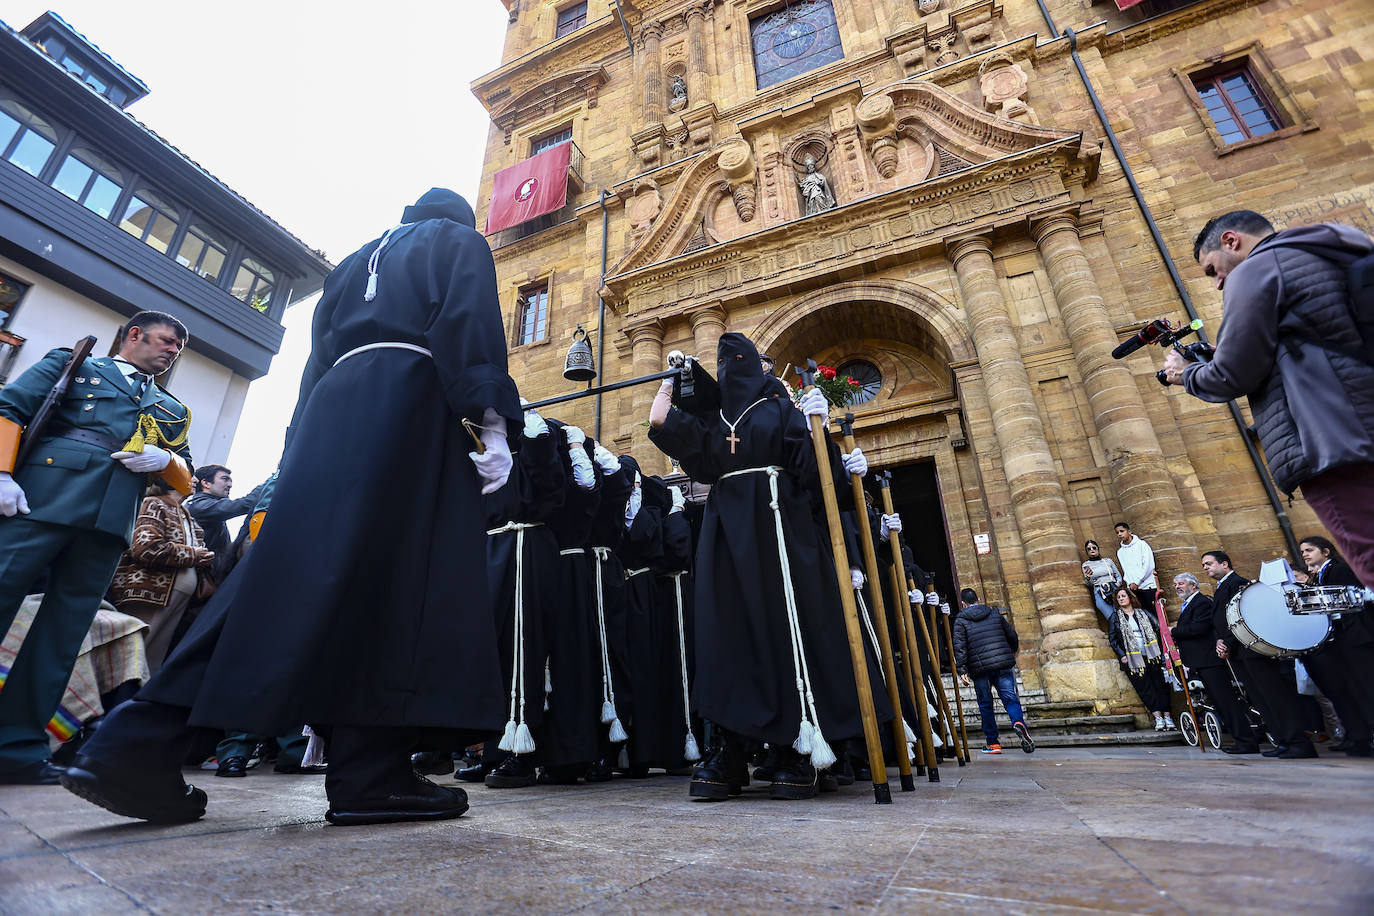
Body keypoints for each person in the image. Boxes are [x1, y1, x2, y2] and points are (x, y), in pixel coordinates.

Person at [59, 188, 524, 825]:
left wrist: (297, 447)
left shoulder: (353, 264)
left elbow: (314, 367)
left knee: (289, 573)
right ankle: (367, 769)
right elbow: (469, 322)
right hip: (407, 403)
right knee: (401, 575)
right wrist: (492, 422)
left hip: (331, 415)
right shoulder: (457, 241)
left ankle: (142, 740)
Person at [647, 332, 884, 801]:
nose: (730, 369)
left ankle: (798, 744)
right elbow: (660, 421)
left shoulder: (779, 410)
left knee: (787, 629)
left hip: (781, 534)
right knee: (725, 634)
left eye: (737, 362)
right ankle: (729, 746)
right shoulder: (715, 419)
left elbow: (821, 483)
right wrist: (676, 377)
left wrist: (820, 430)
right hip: (727, 540)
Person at [0, 310, 194, 784]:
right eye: (167, 342)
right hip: (43, 497)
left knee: (62, 636)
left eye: (177, 349)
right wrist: (2, 473)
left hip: (111, 520)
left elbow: (185, 476)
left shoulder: (170, 408)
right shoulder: (78, 362)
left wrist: (166, 458)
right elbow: (9, 408)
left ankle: (17, 749)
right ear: (134, 335)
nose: (172, 352)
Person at [1164, 212, 1374, 586]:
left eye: (1212, 270)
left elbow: (1232, 375)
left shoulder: (1255, 270)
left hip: (1336, 444)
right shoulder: (1337, 250)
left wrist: (1186, 373)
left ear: (1231, 241)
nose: (1217, 284)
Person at [1204, 550, 1317, 758]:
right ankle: (1282, 740)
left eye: (1209, 563)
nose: (1206, 568)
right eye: (1204, 565)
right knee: (1261, 699)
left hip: (1253, 649)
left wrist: (1226, 641)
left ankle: (1299, 742)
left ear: (1225, 564)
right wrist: (1219, 641)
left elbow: (1243, 614)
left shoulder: (1240, 584)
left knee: (1275, 695)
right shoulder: (1221, 588)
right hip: (1238, 652)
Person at [108, 481, 214, 673]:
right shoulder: (154, 503)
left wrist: (201, 559)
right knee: (129, 656)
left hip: (177, 598)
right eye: (190, 474)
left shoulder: (187, 515)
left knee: (151, 661)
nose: (196, 480)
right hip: (149, 593)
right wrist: (193, 555)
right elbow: (145, 548)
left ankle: (129, 699)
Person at [1297, 536, 1374, 756]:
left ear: (1326, 552)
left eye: (1309, 550)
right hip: (1341, 640)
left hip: (1354, 636)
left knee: (1366, 685)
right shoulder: (1320, 575)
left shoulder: (1338, 570)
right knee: (1352, 689)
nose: (1305, 555)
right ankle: (1358, 737)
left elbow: (1353, 599)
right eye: (1302, 551)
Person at [1169, 573, 1258, 753]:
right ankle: (1241, 739)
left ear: (1193, 586)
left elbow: (1200, 628)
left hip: (1209, 660)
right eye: (1176, 584)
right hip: (1201, 661)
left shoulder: (1201, 602)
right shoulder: (1189, 604)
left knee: (1226, 701)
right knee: (1220, 702)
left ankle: (1246, 741)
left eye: (1181, 583)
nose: (1178, 587)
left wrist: (1175, 631)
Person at [951, 589, 1032, 755]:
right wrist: (1013, 651)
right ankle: (1018, 722)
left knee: (985, 705)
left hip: (979, 669)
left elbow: (960, 647)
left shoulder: (961, 620)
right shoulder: (994, 614)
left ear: (963, 604)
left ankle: (993, 744)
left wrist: (962, 669)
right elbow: (1012, 635)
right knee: (1010, 698)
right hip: (1003, 664)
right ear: (978, 599)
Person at [1105, 585, 1175, 731]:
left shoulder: (1143, 613)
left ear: (1130, 597)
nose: (1121, 598)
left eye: (1123, 596)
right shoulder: (1115, 617)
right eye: (1118, 597)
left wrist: (1163, 650)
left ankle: (1168, 717)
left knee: (1161, 686)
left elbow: (1158, 628)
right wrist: (1122, 655)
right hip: (1132, 659)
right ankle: (1158, 718)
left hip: (1152, 656)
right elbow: (1113, 640)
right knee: (1145, 688)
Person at [185, 464, 268, 585]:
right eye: (224, 479)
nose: (230, 484)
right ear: (206, 483)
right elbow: (245, 504)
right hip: (202, 580)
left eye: (230, 481)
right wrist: (273, 480)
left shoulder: (204, 506)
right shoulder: (200, 506)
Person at [1113, 522, 1158, 619]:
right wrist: (1130, 584)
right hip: (1134, 589)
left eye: (1122, 531)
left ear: (1129, 531)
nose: (1120, 534)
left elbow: (1148, 565)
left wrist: (1137, 581)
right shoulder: (1120, 552)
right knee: (1143, 617)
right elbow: (1126, 570)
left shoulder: (1142, 545)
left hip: (1148, 586)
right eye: (1117, 533)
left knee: (1155, 614)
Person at [1082, 539, 1124, 622]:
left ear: (1098, 548)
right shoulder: (1086, 565)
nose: (1092, 550)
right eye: (1089, 549)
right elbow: (1089, 584)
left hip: (1114, 589)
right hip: (1099, 591)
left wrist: (1117, 584)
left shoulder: (1108, 561)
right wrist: (1088, 578)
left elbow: (1118, 576)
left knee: (1122, 616)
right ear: (1086, 552)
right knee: (1112, 619)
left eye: (1094, 547)